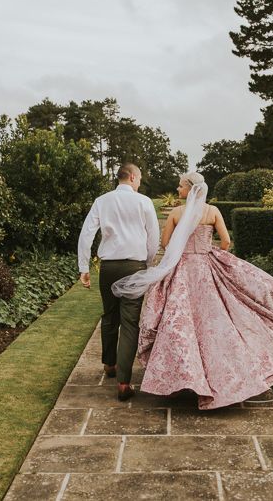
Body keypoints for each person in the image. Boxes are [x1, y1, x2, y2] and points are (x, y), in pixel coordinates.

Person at [111, 171, 273, 410]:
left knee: (179, 324)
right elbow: (226, 241)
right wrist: (211, 253)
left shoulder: (177, 213)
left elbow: (166, 244)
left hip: (182, 270)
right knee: (215, 324)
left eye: (180, 186)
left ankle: (183, 377)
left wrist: (181, 251)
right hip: (206, 268)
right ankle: (223, 377)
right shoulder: (213, 212)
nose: (178, 190)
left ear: (189, 188)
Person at [77, 163, 160, 401]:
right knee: (130, 321)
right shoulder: (144, 202)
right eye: (140, 178)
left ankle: (109, 364)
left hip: (109, 267)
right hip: (134, 265)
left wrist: (84, 267)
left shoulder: (102, 201)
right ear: (132, 177)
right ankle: (124, 382)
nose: (140, 182)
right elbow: (153, 236)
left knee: (109, 315)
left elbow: (86, 235)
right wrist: (148, 262)